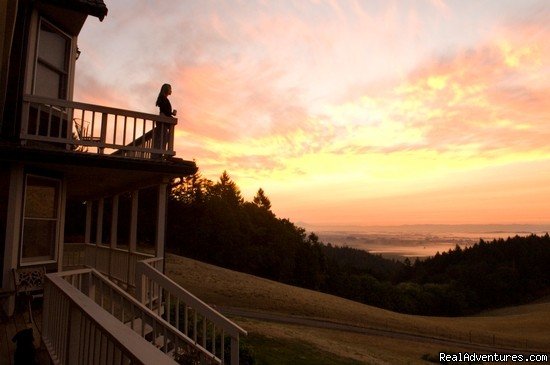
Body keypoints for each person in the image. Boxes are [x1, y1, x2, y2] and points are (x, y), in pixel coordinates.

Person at [153, 83, 177, 157]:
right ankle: (158, 155)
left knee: (163, 137)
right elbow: (164, 111)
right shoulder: (163, 98)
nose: (171, 91)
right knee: (162, 138)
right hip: (163, 120)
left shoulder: (163, 98)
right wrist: (171, 115)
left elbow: (165, 111)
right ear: (167, 90)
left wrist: (172, 114)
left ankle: (159, 154)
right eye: (170, 89)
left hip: (163, 120)